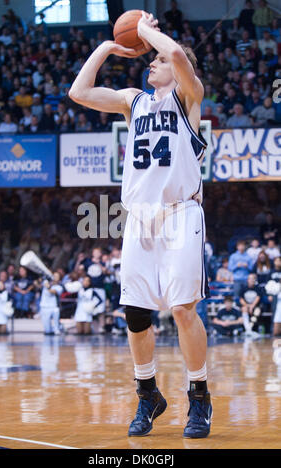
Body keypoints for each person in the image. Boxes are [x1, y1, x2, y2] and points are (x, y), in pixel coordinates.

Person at [69, 11, 212, 439]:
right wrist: (110, 46)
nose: (150, 62)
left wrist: (146, 31)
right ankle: (148, 393)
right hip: (140, 217)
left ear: (177, 68)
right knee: (135, 313)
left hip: (181, 212)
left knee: (184, 309)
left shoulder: (189, 96)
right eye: (150, 59)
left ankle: (199, 396)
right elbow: (79, 92)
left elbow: (173, 53)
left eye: (158, 61)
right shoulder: (134, 100)